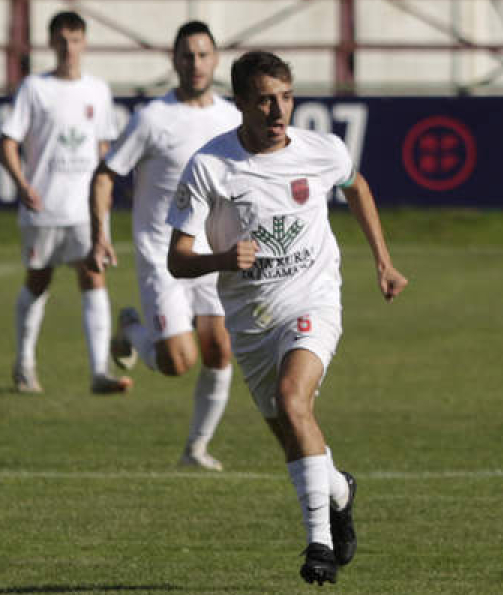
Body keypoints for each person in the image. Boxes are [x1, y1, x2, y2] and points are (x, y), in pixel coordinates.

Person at [166, 50, 408, 584]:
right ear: (241, 105)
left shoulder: (322, 149)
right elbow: (176, 259)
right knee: (296, 438)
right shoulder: (210, 166)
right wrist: (222, 259)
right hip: (251, 321)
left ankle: (318, 545)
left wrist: (384, 263)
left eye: (286, 97)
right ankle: (341, 490)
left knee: (294, 400)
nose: (279, 111)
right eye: (264, 101)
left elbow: (357, 185)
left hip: (313, 302)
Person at [87, 21, 240, 470]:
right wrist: (101, 232)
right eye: (187, 55)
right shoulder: (152, 118)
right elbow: (105, 174)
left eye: (203, 54)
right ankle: (131, 328)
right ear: (174, 60)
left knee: (220, 351)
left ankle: (196, 449)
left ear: (215, 59)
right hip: (163, 256)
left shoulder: (231, 118)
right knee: (178, 362)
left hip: (212, 255)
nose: (195, 63)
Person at [0, 10, 132, 395]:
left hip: (86, 210)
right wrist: (21, 184)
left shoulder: (98, 90)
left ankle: (98, 372)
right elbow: (8, 141)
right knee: (39, 281)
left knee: (94, 277)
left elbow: (104, 147)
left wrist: (105, 204)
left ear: (84, 43)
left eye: (75, 39)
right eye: (62, 40)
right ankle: (24, 363)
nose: (68, 48)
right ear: (51, 43)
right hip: (44, 207)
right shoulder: (34, 89)